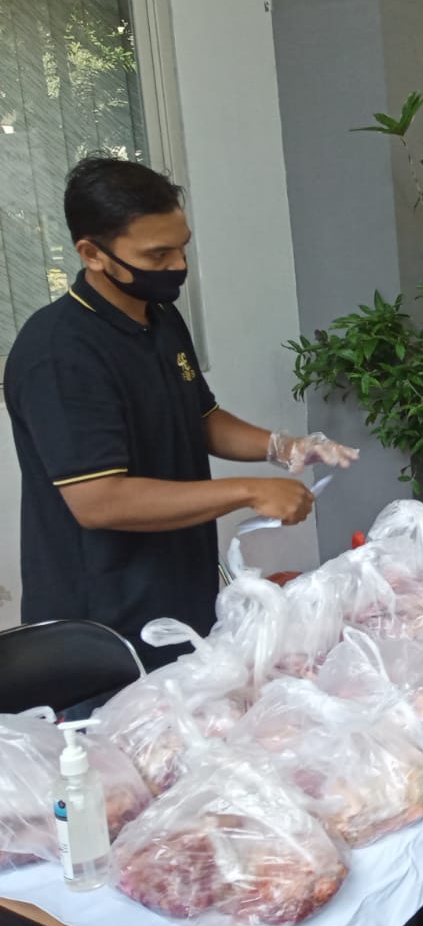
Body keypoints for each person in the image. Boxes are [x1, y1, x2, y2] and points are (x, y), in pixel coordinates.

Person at [3, 157, 359, 671]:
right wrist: (247, 490)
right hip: (104, 618)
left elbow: (201, 417)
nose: (176, 266)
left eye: (182, 247)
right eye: (157, 253)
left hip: (179, 587)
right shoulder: (60, 352)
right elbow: (99, 501)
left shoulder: (160, 318)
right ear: (91, 254)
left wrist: (283, 447)